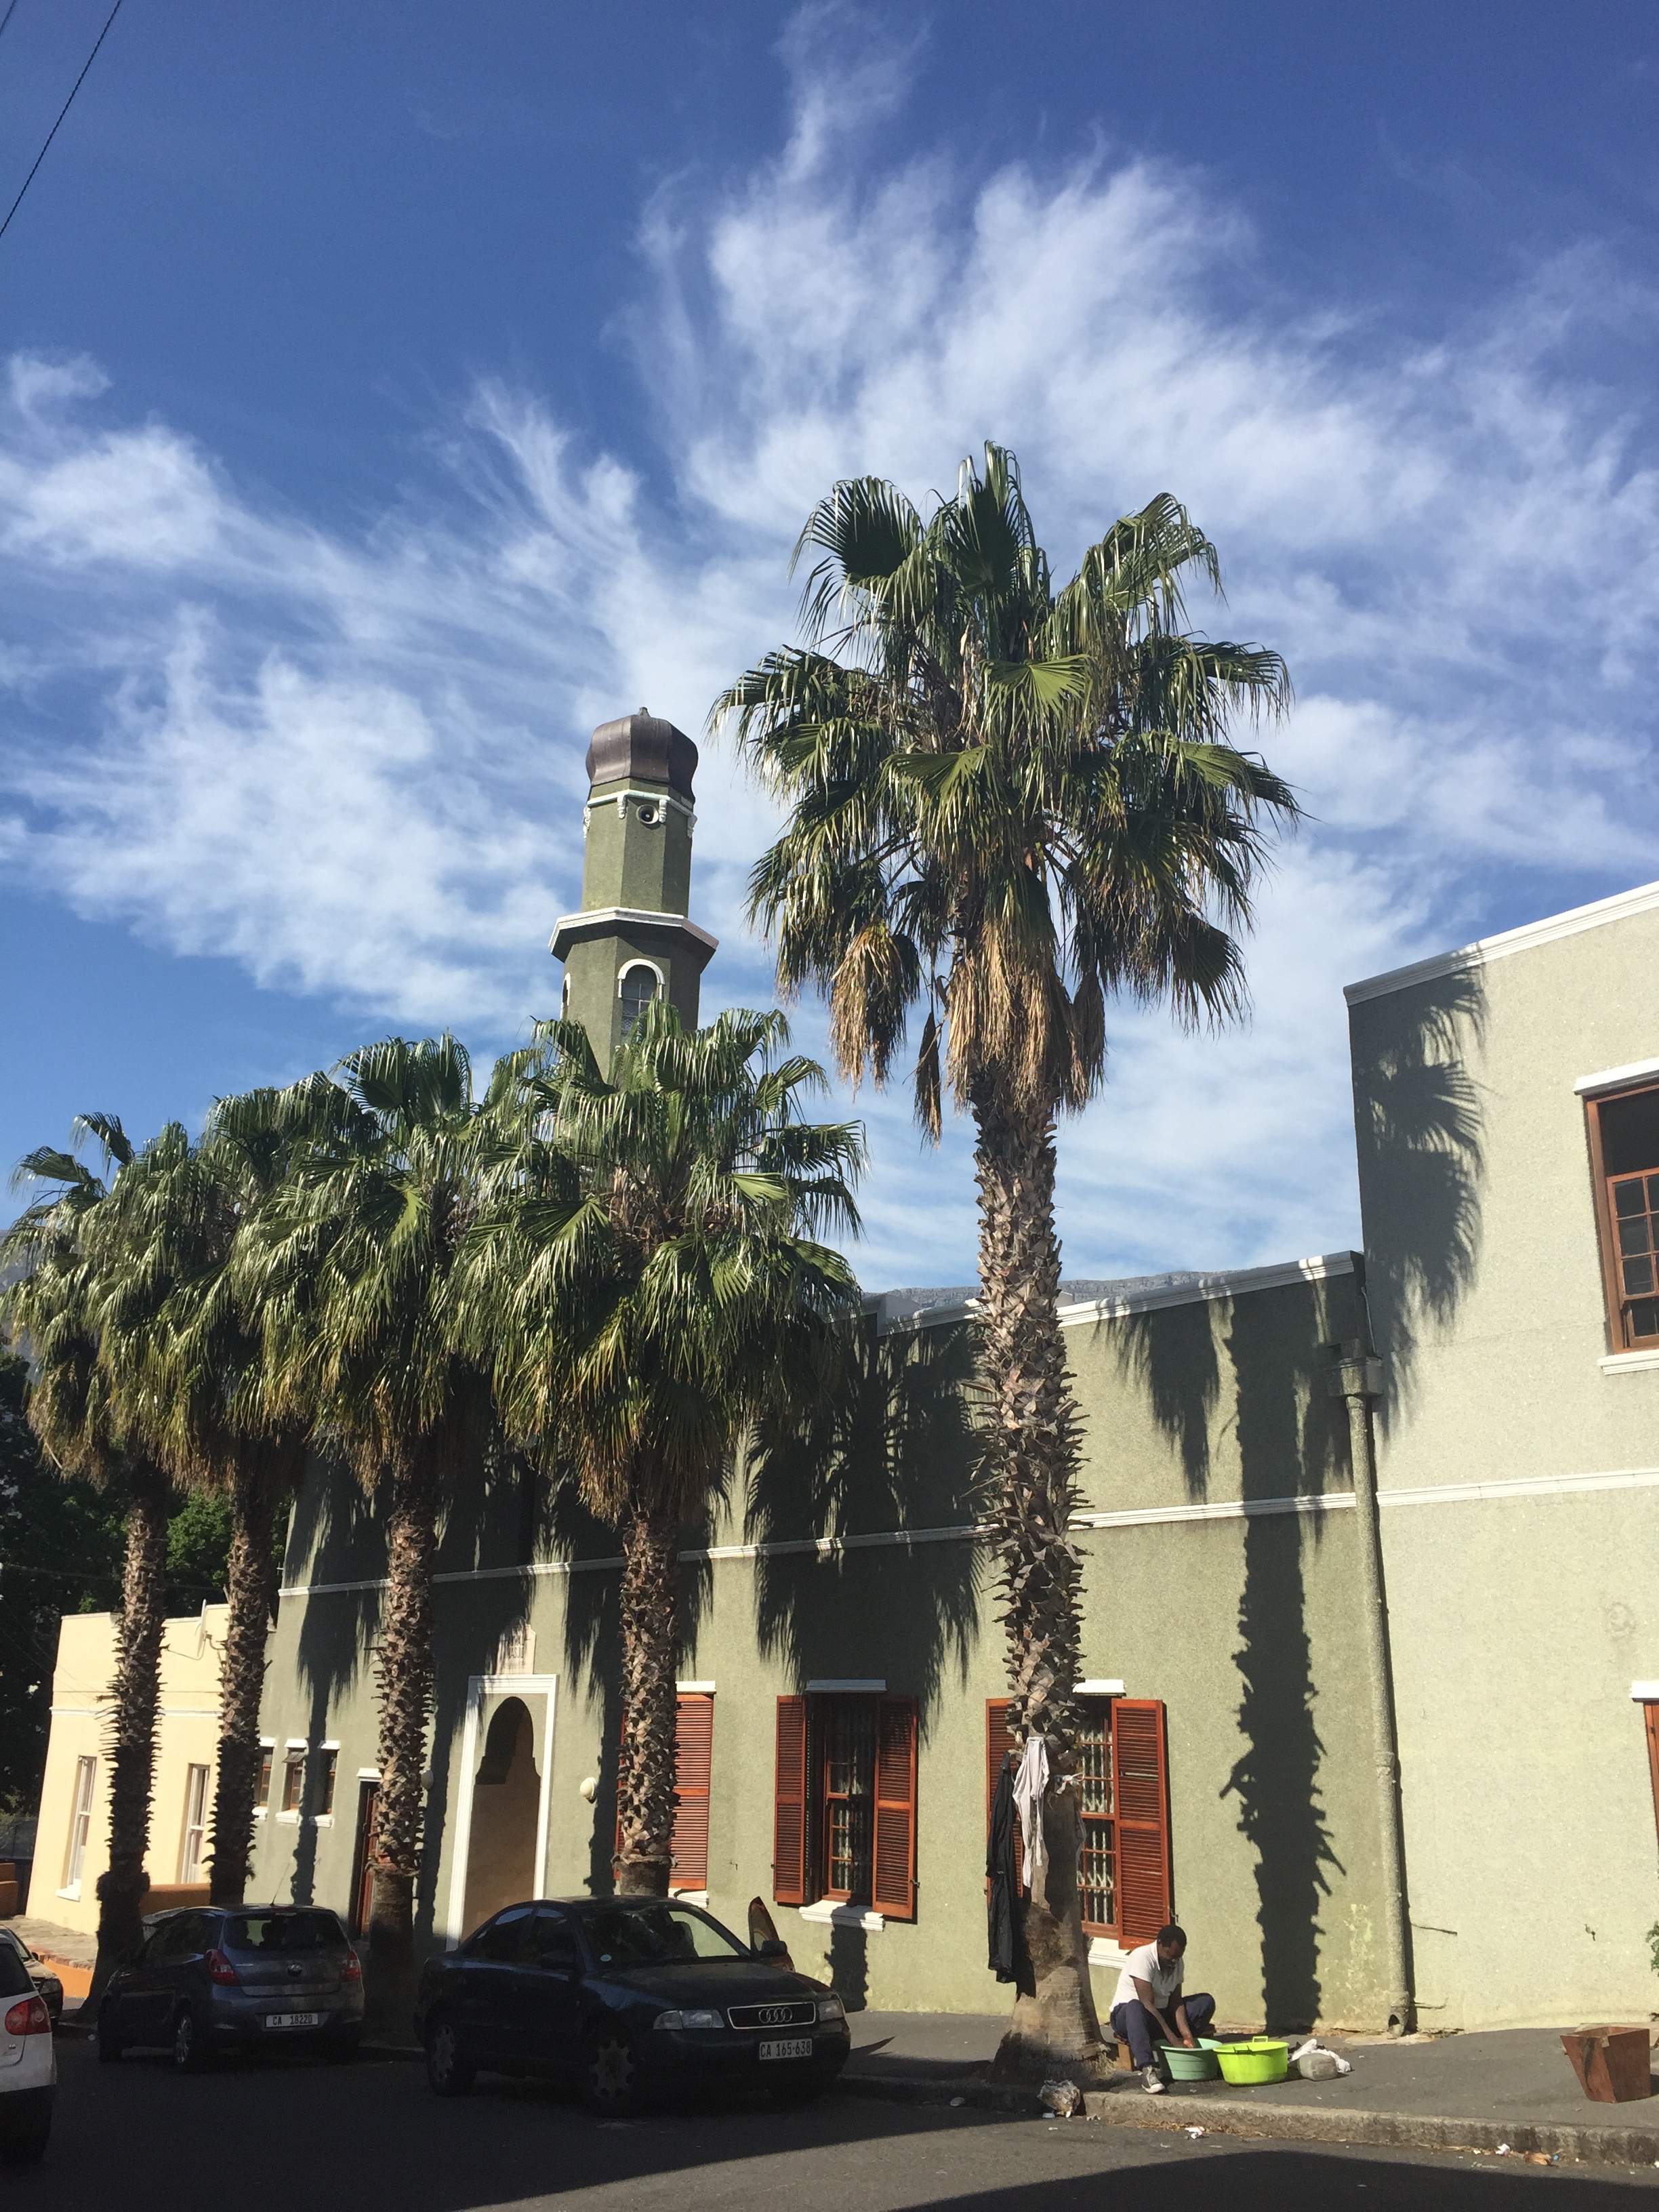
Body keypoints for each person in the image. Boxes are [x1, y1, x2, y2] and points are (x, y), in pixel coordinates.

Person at [1109, 1922, 1216, 2093]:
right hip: (1130, 2016)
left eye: (1177, 1958)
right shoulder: (1142, 1957)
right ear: (1159, 1944)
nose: (1173, 1962)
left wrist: (1187, 2036)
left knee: (1205, 2002)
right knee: (1135, 2006)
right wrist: (1174, 2041)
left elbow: (1176, 2003)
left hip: (1160, 2016)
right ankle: (1148, 2070)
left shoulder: (1177, 1963)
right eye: (1170, 1956)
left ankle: (1187, 2054)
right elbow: (1147, 2004)